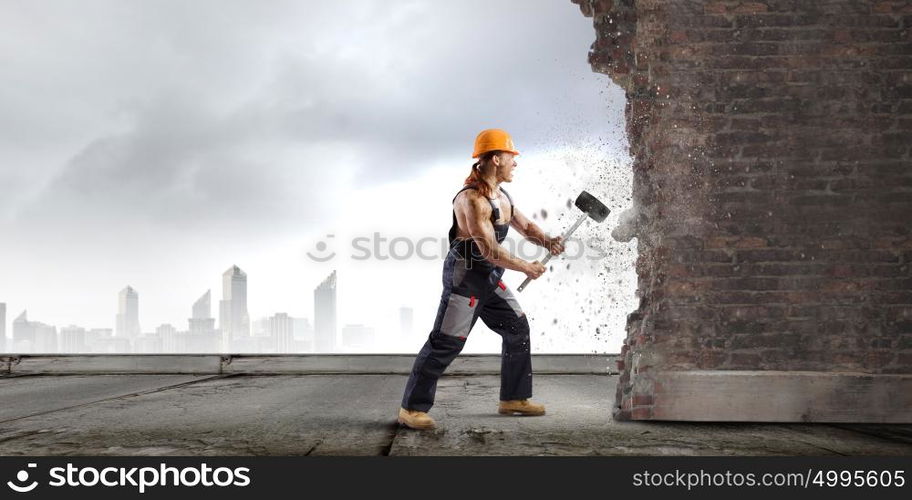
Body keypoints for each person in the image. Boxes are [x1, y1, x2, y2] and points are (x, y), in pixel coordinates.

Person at [398, 129, 565, 430]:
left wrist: (548, 241)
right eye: (513, 158)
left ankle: (513, 398)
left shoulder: (502, 196)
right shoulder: (472, 199)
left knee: (517, 327)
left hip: (489, 277)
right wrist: (527, 267)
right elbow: (489, 250)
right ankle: (411, 408)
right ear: (497, 158)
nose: (516, 164)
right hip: (466, 277)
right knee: (446, 342)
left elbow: (525, 226)